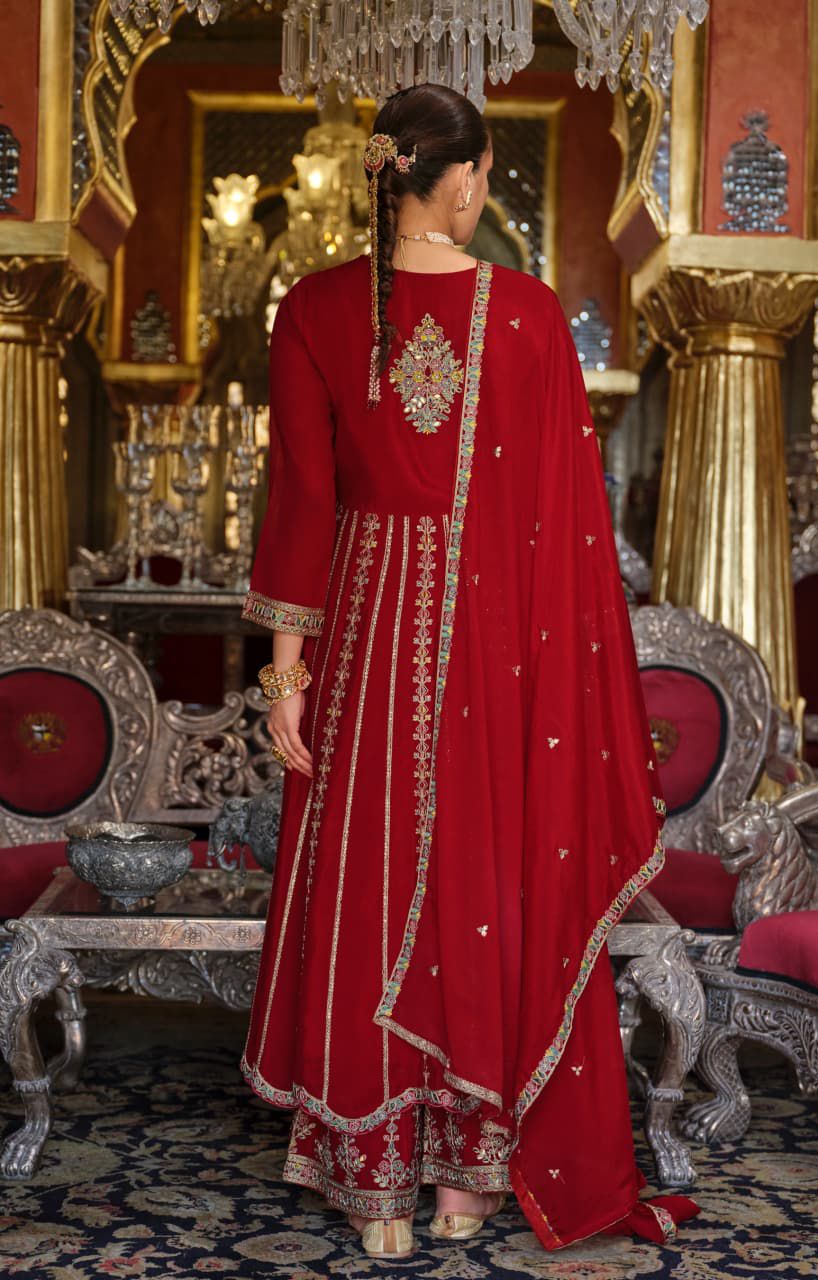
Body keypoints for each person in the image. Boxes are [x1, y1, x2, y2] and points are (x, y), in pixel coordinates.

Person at [240, 82, 698, 1260]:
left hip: (362, 635)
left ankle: (376, 1191)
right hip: (497, 649)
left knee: (368, 880)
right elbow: (565, 526)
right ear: (459, 181)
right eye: (483, 176)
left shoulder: (315, 306)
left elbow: (300, 501)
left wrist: (285, 676)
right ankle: (462, 1182)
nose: (481, 192)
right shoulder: (529, 315)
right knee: (480, 882)